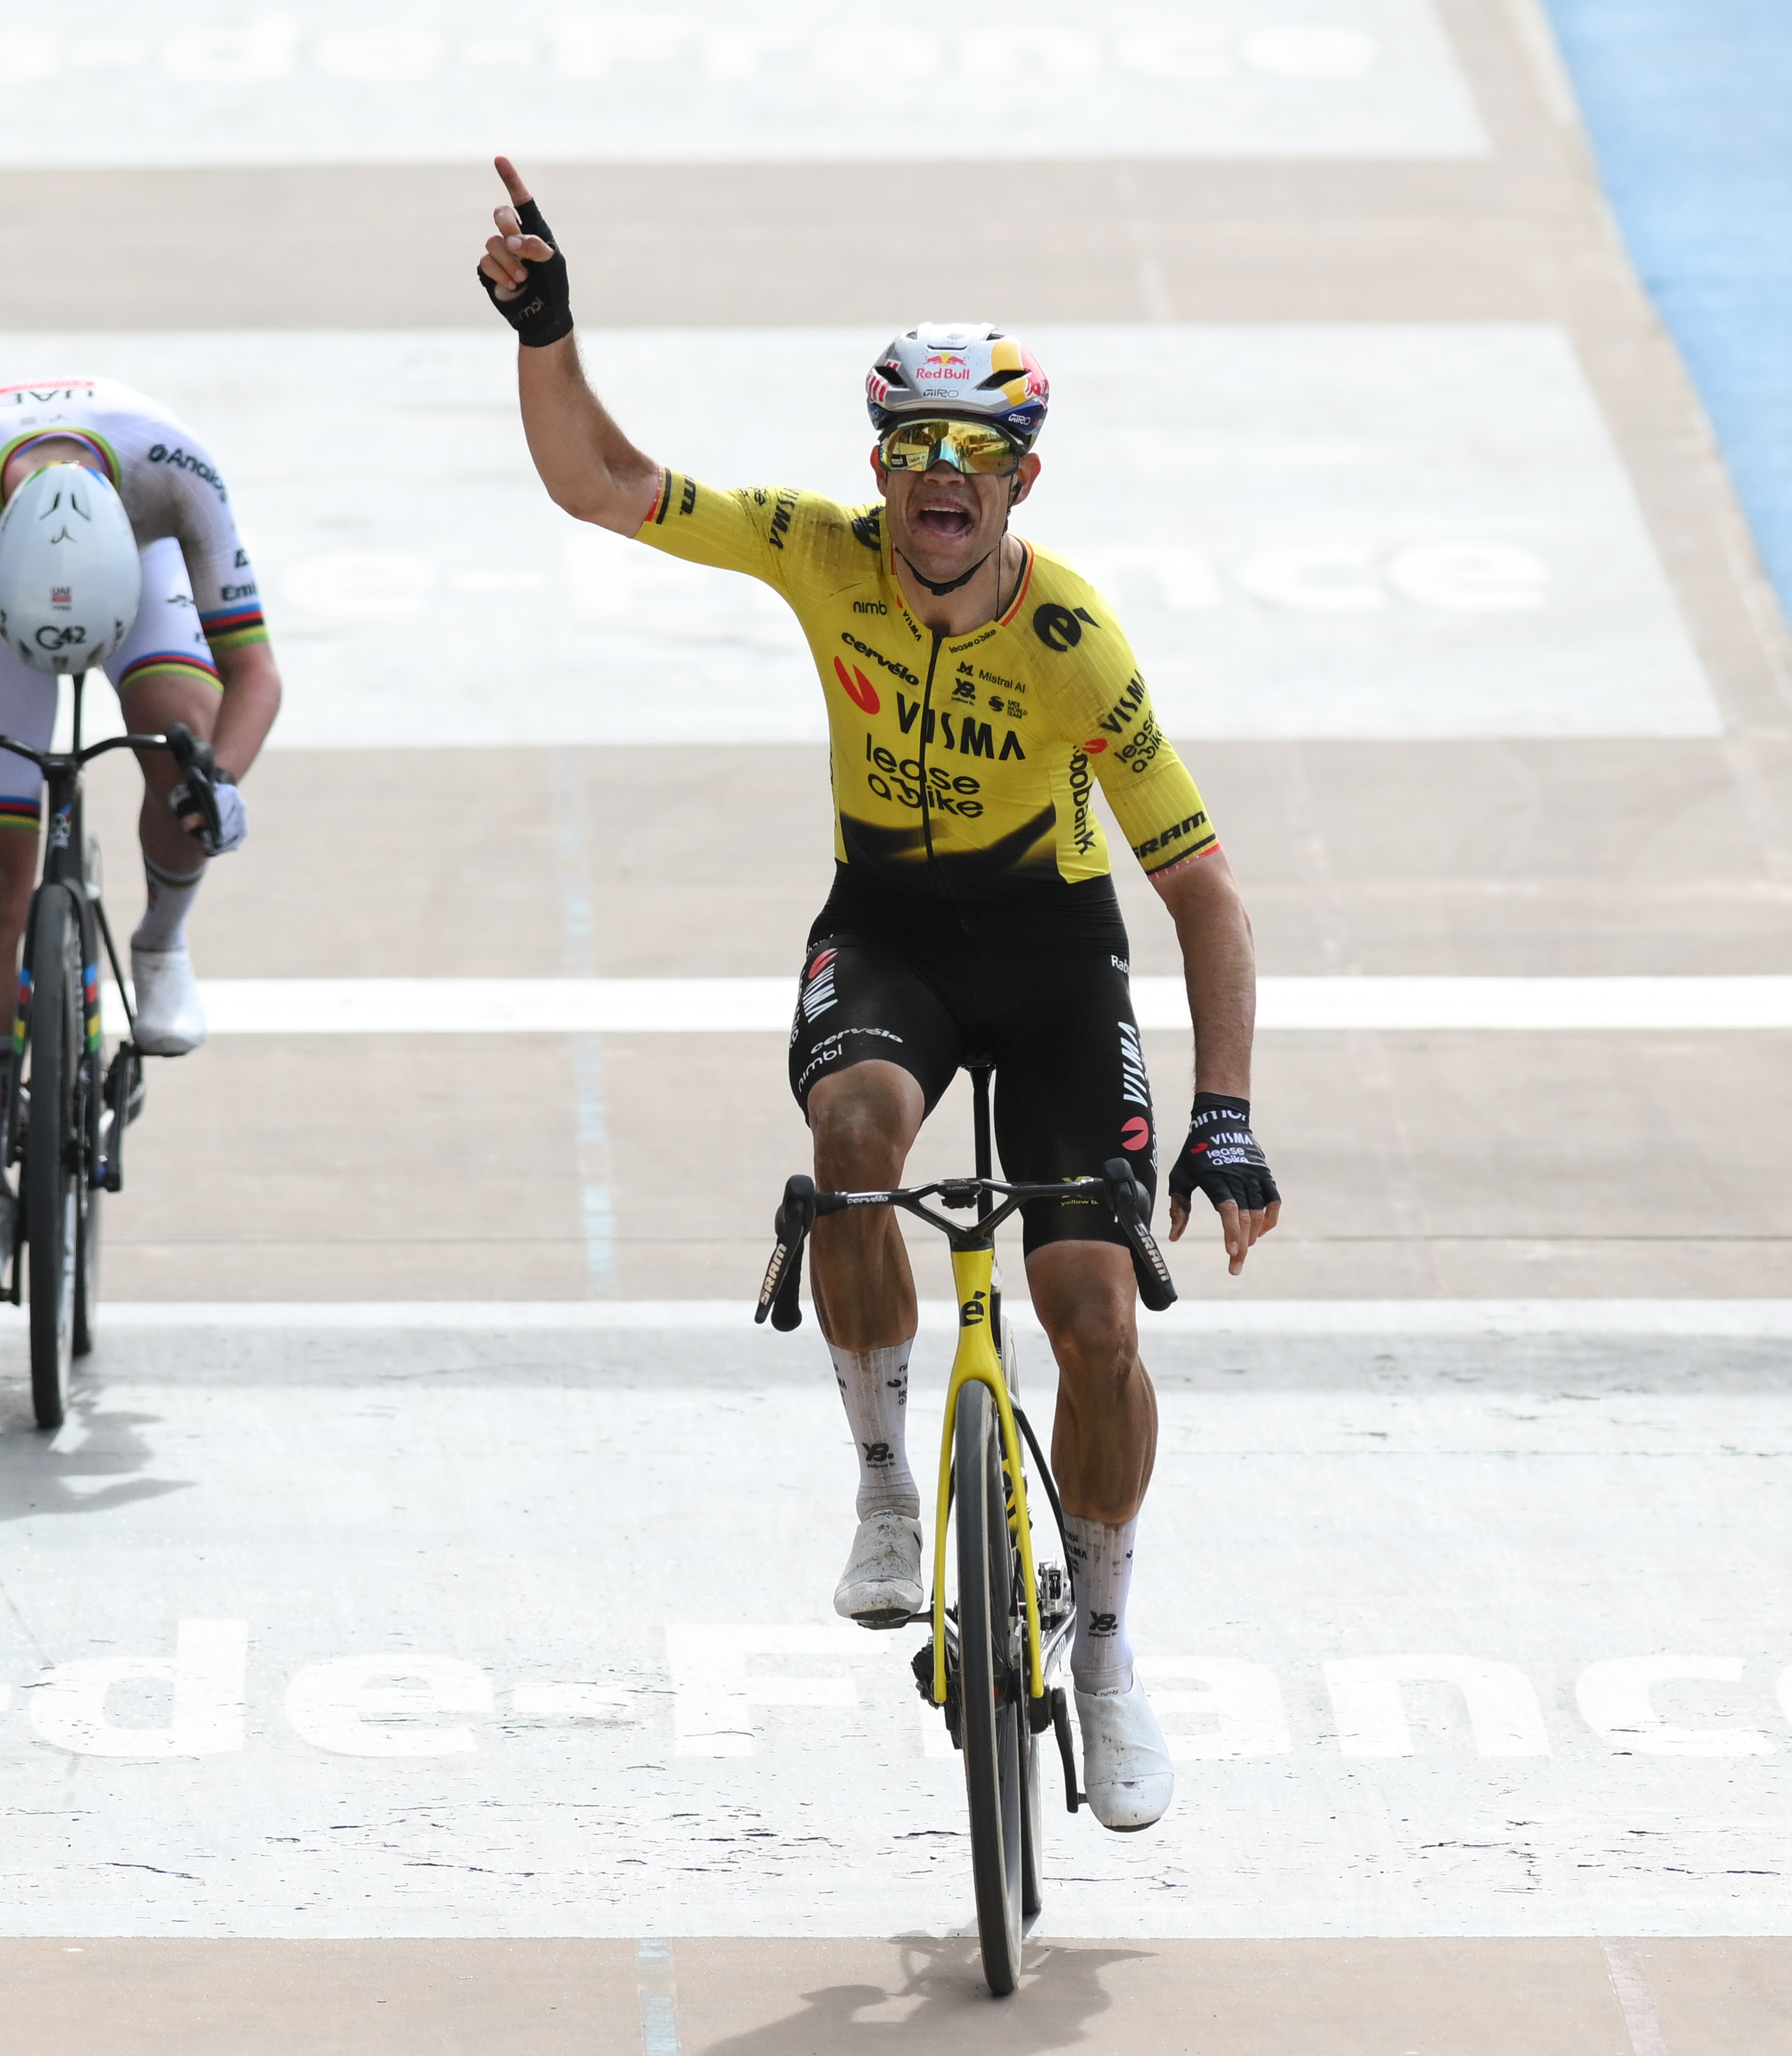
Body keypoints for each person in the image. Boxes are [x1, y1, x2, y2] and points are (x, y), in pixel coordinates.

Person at [476, 160, 1280, 1832]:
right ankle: (879, 1484)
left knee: (1093, 1319)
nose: (939, 484)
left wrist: (1229, 1120)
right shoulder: (822, 557)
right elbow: (603, 484)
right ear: (879, 470)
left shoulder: (1078, 641)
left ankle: (1116, 1656)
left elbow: (1201, 890)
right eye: (914, 452)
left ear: (1019, 483)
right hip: (894, 930)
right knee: (852, 1135)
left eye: (972, 458)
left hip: (1056, 958)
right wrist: (547, 327)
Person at [0, 376, 281, 1295]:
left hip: (139, 570)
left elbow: (255, 672)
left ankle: (161, 943)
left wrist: (221, 781)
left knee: (181, 745)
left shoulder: (173, 476)